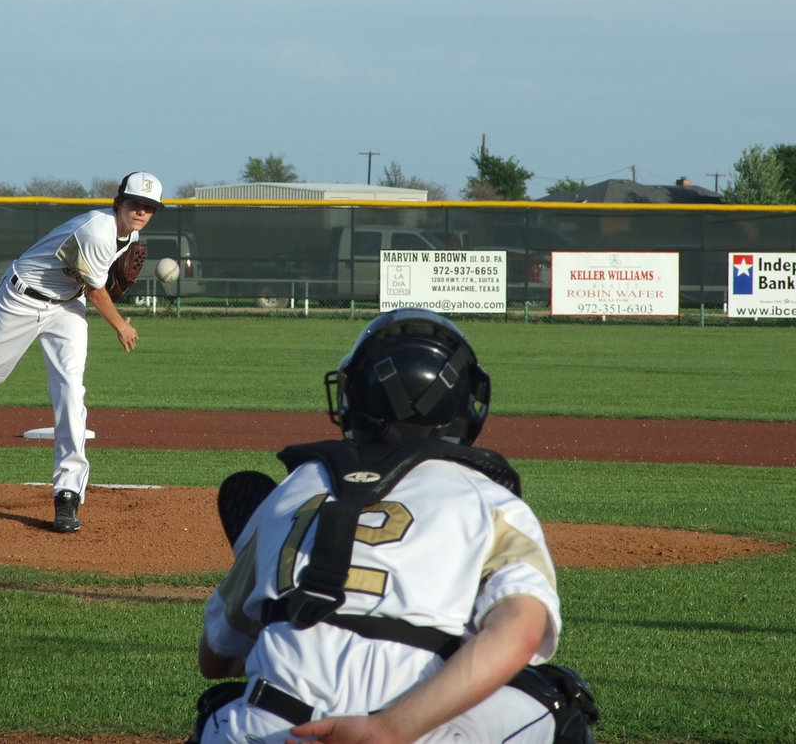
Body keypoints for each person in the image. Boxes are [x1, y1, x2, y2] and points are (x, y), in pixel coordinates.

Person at [193, 308, 598, 744]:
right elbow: (521, 631)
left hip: (272, 729)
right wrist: (387, 728)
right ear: (467, 402)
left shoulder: (291, 491)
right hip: (412, 733)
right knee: (559, 699)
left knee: (223, 706)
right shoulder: (491, 501)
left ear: (354, 397)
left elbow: (214, 660)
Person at [0, 171, 163, 533]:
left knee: (71, 389)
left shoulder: (129, 236)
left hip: (67, 307)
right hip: (22, 298)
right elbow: (97, 292)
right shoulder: (96, 231)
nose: (141, 212)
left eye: (149, 207)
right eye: (136, 203)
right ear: (120, 202)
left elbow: (91, 285)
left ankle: (67, 492)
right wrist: (121, 325)